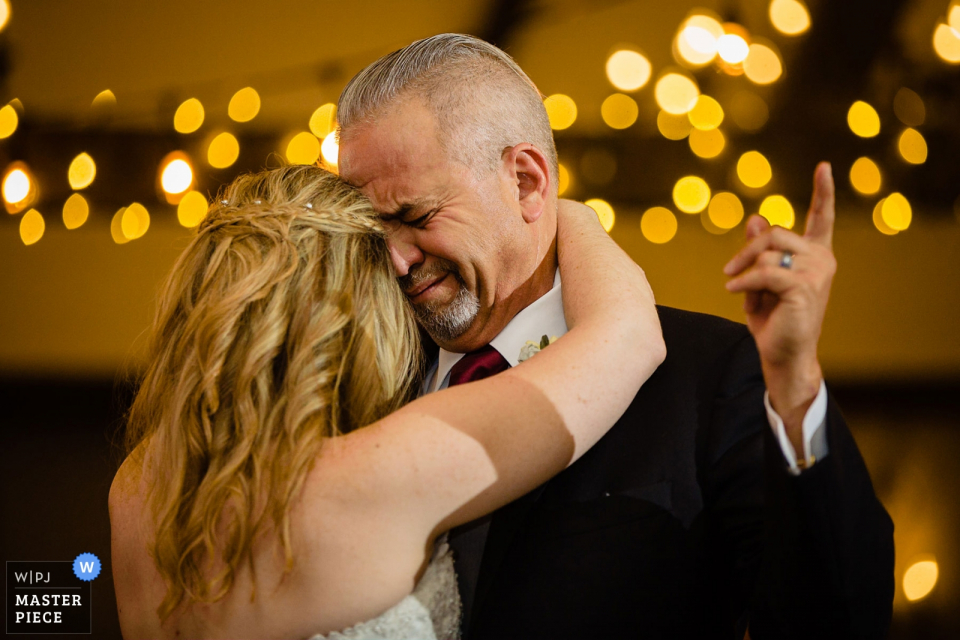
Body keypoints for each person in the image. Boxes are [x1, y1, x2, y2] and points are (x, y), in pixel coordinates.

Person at [335, 33, 895, 638]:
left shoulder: (707, 376)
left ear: (525, 182)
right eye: (371, 230)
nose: (394, 259)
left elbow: (838, 621)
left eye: (416, 217)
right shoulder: (349, 386)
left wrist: (797, 390)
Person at [108, 165, 665, 639]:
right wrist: (564, 211)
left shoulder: (136, 487)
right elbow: (625, 337)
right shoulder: (372, 475)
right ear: (348, 316)